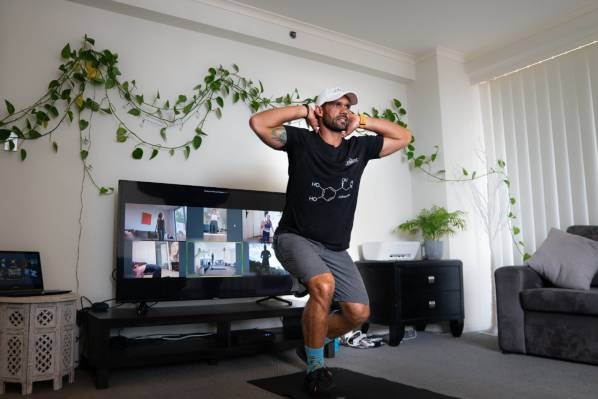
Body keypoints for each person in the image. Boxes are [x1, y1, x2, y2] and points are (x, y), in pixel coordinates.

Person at [249, 87, 411, 396]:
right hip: (295, 237)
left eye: (348, 105)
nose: (344, 109)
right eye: (336, 104)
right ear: (321, 110)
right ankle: (315, 368)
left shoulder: (358, 149)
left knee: (358, 313)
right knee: (323, 286)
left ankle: (314, 343)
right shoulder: (301, 142)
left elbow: (404, 136)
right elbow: (259, 123)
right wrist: (302, 111)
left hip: (335, 248)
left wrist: (362, 120)